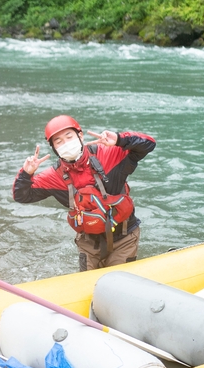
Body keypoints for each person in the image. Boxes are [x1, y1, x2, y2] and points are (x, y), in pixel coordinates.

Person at [13, 116, 155, 271]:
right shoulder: (53, 176)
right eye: (58, 141)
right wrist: (26, 174)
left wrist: (120, 139)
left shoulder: (109, 153)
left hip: (124, 238)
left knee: (118, 280)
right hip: (88, 243)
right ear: (53, 148)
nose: (66, 144)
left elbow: (149, 144)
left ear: (80, 136)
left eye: (69, 137)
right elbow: (21, 195)